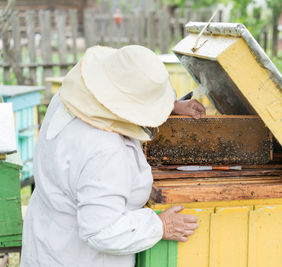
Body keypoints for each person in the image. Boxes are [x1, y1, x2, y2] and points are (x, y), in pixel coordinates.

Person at [20, 45, 206, 267]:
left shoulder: (70, 98)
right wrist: (159, 226)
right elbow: (102, 230)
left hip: (48, 239)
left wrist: (169, 105)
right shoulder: (105, 151)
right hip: (79, 258)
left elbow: (122, 97)